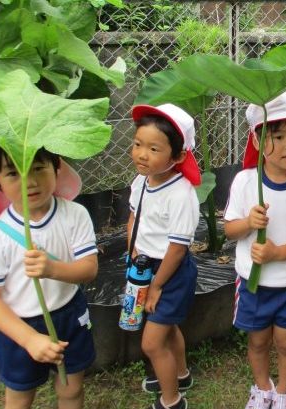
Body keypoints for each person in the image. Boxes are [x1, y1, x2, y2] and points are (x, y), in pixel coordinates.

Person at [0, 147, 98, 409]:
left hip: (69, 314)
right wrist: (28, 339)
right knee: (19, 398)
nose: (29, 182)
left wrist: (53, 270)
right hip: (19, 326)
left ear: (57, 168)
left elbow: (89, 269)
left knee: (72, 388)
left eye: (38, 168)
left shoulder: (75, 214)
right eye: (12, 173)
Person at [224, 92, 286, 409]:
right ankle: (261, 388)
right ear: (257, 141)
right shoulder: (244, 182)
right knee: (257, 340)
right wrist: (248, 222)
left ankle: (284, 392)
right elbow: (230, 230)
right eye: (277, 136)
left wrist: (277, 253)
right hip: (253, 284)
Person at [130, 103, 201, 409]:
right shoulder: (140, 182)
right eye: (137, 144)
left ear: (178, 156)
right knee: (167, 326)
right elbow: (134, 216)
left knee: (152, 341)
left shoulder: (181, 194)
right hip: (145, 265)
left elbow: (177, 248)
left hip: (170, 272)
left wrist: (157, 286)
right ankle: (180, 374)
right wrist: (133, 248)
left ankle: (171, 400)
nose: (142, 154)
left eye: (154, 148)